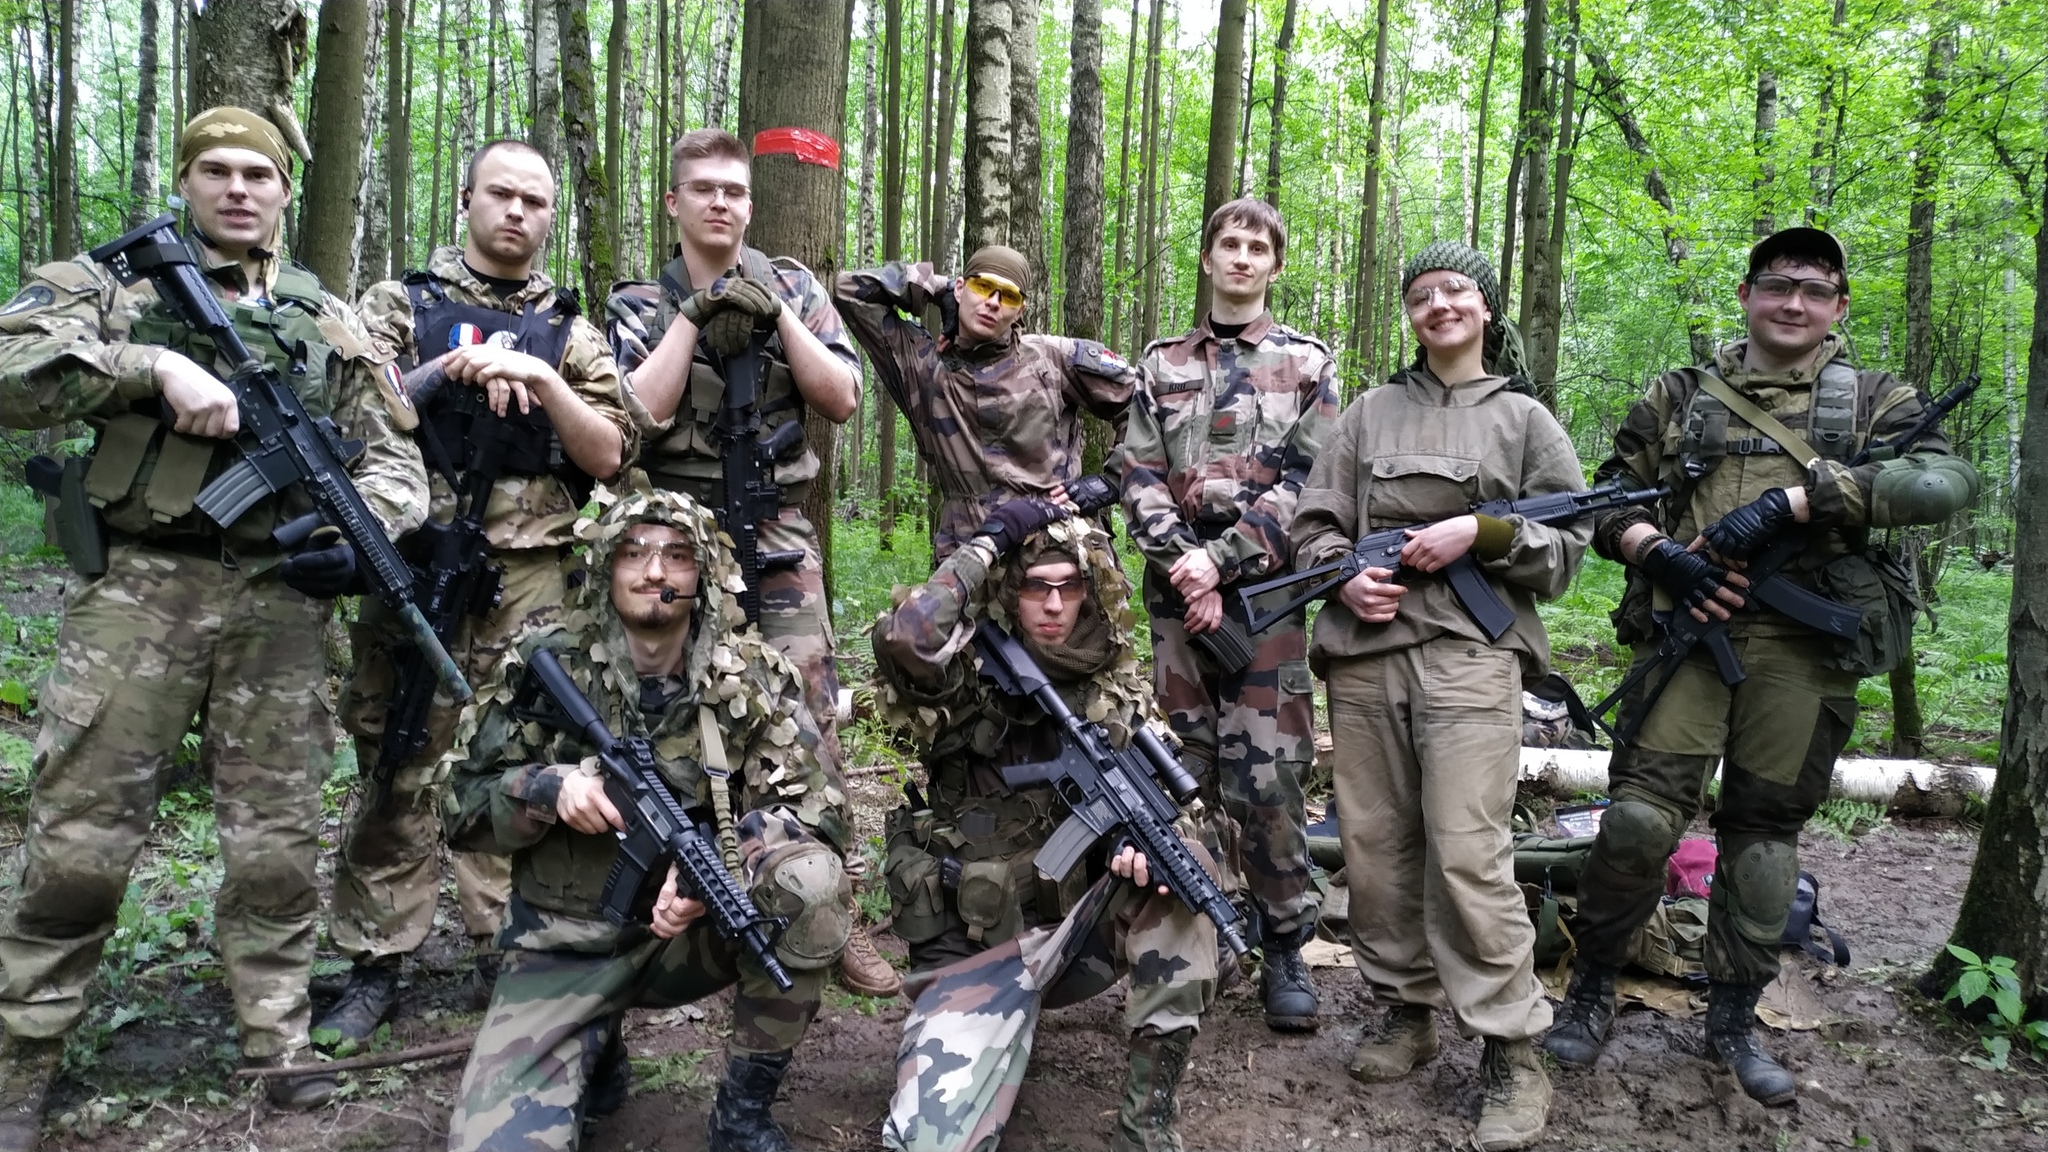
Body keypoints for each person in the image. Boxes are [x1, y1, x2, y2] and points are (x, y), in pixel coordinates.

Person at [0, 106, 430, 1140]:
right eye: (218, 171)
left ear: (285, 191)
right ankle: (22, 1054)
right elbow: (10, 369)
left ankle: (276, 1040)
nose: (239, 189)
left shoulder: (325, 317)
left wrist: (365, 530)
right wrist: (149, 367)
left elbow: (395, 457)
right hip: (138, 591)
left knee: (277, 842)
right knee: (80, 841)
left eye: (258, 174)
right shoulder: (107, 287)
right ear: (187, 180)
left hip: (278, 599)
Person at [1544, 227, 1979, 1106]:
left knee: (1764, 840)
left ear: (1838, 306)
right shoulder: (1679, 395)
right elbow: (1607, 499)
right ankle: (1590, 988)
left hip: (1803, 653)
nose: (1793, 303)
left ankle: (1735, 1017)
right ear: (1747, 295)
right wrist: (1662, 555)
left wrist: (1797, 500)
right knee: (1636, 822)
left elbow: (1944, 484)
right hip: (1688, 635)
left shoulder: (1876, 400)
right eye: (1777, 284)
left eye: (1815, 290)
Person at [322, 139, 636, 1042]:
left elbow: (612, 452)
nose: (516, 213)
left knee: (518, 759)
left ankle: (508, 947)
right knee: (397, 753)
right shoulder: (400, 304)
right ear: (466, 200)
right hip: (416, 567)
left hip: (531, 576)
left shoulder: (571, 332)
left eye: (535, 202)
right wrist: (440, 375)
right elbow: (352, 402)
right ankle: (376, 958)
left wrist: (541, 380)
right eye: (501, 194)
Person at [441, 488, 852, 1152]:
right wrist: (546, 788)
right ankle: (595, 1053)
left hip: (691, 939)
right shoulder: (543, 661)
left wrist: (719, 870)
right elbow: (455, 805)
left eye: (676, 555)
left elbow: (822, 816)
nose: (654, 570)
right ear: (606, 566)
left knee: (810, 886)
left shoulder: (752, 676)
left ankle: (742, 1117)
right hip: (563, 947)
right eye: (633, 552)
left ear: (704, 575)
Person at [1290, 242, 1587, 1151]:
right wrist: (1343, 578)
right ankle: (1404, 1010)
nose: (1440, 305)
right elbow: (1313, 525)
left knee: (1468, 850)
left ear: (1487, 307)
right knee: (1377, 846)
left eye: (1457, 289)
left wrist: (1480, 533)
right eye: (1422, 295)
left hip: (1471, 658)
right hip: (1368, 657)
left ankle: (1511, 1049)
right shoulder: (1369, 414)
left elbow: (1567, 549)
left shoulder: (1526, 419)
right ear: (1410, 315)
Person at [606, 128, 896, 998]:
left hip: (776, 532)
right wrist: (694, 318)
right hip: (676, 538)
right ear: (674, 202)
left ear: (750, 204)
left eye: (734, 190)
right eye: (703, 188)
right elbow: (636, 416)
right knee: (668, 717)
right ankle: (682, 904)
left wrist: (775, 311)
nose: (720, 203)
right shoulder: (639, 303)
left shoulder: (797, 286)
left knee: (811, 716)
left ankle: (833, 910)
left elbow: (842, 397)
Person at [871, 500, 1222, 1152]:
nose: (1055, 605)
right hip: (973, 947)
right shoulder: (963, 678)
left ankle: (1146, 1127)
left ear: (1092, 592)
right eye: (1037, 587)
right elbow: (905, 638)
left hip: (1072, 938)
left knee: (1185, 875)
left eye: (1070, 586)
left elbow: (1183, 819)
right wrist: (988, 543)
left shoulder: (1113, 689)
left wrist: (1138, 849)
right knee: (928, 1145)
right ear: (1010, 591)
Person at [1120, 198, 1337, 1032]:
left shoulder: (1307, 364)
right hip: (1176, 600)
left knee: (1267, 780)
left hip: (1266, 601)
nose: (1242, 258)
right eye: (1229, 244)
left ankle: (1284, 945)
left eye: (1257, 247)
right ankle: (1198, 934)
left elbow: (1311, 481)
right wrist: (1187, 564)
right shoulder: (1161, 363)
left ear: (1274, 265)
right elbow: (1138, 473)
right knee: (1185, 769)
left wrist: (1225, 560)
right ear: (1208, 257)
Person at [836, 243, 1136, 560]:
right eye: (982, 287)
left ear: (1020, 311)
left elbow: (1142, 398)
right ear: (961, 288)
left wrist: (1112, 481)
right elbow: (848, 289)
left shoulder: (1053, 360)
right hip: (965, 559)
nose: (993, 302)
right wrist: (938, 288)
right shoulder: (923, 366)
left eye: (1008, 296)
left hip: (1054, 555)